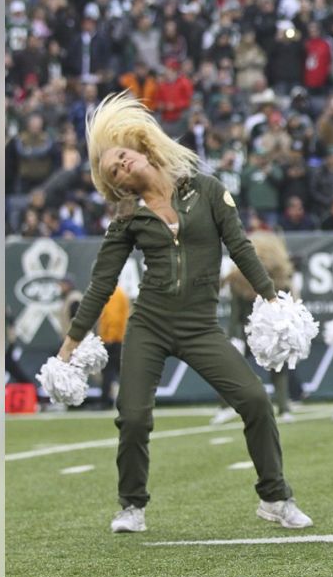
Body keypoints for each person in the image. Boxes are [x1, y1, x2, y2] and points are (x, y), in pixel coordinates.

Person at [56, 92, 312, 534]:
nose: (121, 168)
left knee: (254, 400)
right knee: (133, 415)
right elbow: (102, 283)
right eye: (113, 172)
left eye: (120, 157)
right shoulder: (127, 218)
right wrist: (70, 344)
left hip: (199, 326)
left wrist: (272, 298)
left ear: (139, 146)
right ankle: (131, 506)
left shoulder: (208, 191)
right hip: (150, 324)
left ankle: (275, 498)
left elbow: (240, 247)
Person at [211, 231, 301, 425]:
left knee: (278, 366)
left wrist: (282, 331)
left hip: (269, 328)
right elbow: (235, 315)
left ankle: (284, 407)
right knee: (227, 365)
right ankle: (225, 407)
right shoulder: (238, 280)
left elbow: (286, 307)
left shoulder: (280, 281)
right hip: (245, 330)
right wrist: (233, 338)